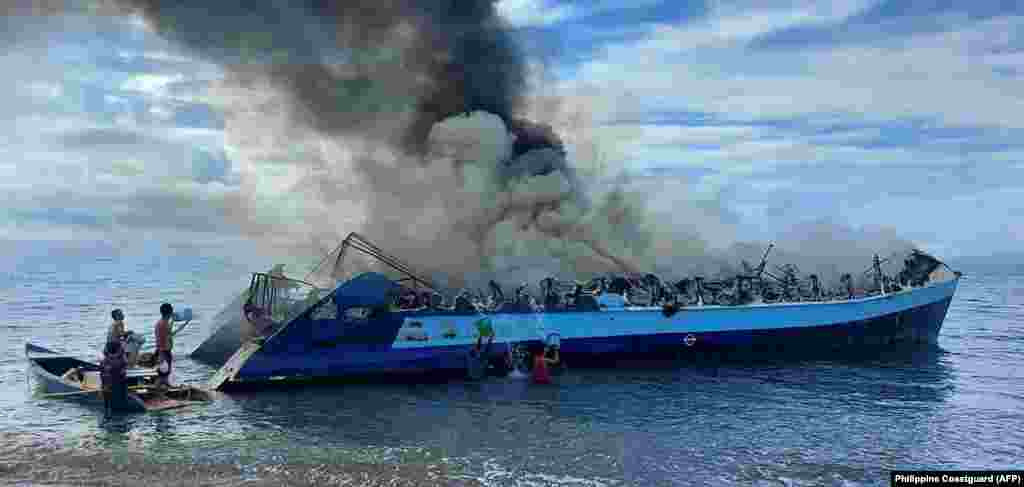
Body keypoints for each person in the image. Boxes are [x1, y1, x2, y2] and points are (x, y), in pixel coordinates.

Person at [100, 340, 128, 417]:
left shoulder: (104, 361)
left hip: (108, 388)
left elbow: (102, 375)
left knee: (108, 407)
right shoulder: (121, 360)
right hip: (118, 388)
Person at [154, 303, 175, 391]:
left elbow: (168, 330)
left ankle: (166, 384)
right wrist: (185, 324)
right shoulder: (164, 324)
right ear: (170, 312)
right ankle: (156, 390)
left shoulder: (162, 322)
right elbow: (169, 334)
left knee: (165, 372)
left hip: (163, 350)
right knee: (162, 373)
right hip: (164, 351)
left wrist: (173, 320)